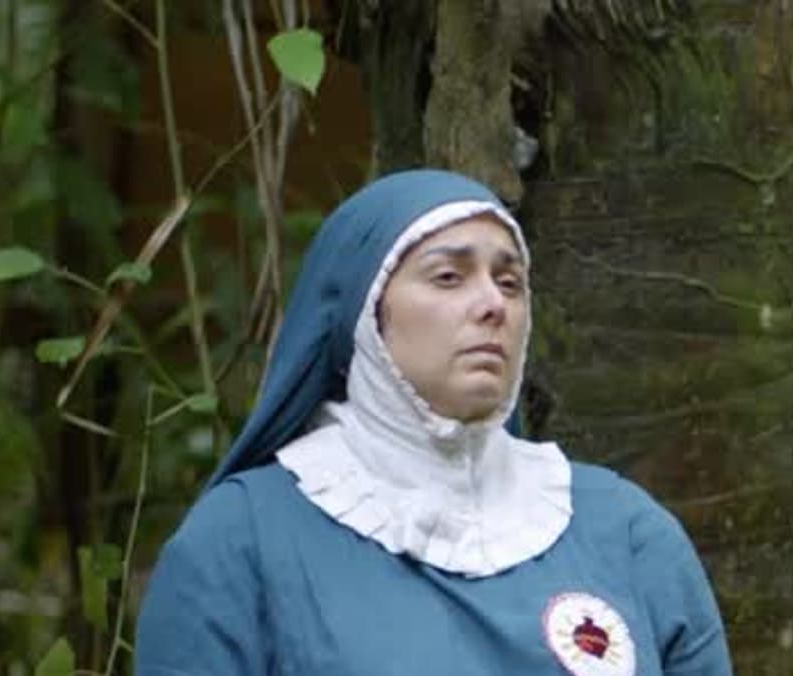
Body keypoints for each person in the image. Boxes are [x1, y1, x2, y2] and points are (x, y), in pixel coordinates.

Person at [135, 170, 731, 676]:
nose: (493, 304)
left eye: (510, 282)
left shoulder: (626, 532)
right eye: (448, 276)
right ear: (365, 314)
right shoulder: (240, 542)